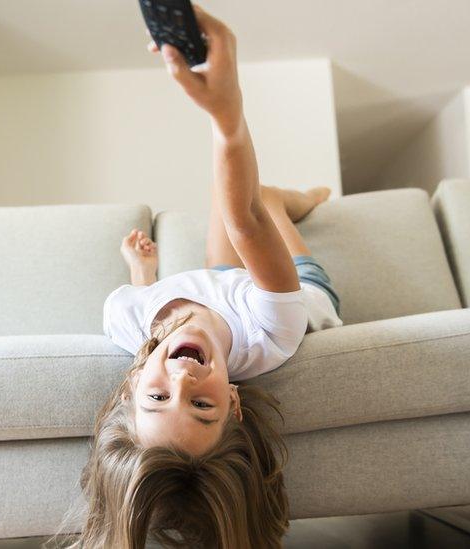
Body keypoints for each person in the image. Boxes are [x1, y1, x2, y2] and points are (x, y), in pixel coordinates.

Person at [72, 5, 342, 548]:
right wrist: (226, 114)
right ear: (235, 403)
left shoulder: (124, 317)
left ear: (131, 383)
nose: (183, 382)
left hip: (218, 284)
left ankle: (280, 201)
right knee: (254, 204)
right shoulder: (271, 335)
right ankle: (300, 200)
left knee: (223, 214)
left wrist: (143, 272)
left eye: (157, 398)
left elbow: (147, 300)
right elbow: (245, 220)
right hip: (294, 289)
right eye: (202, 406)